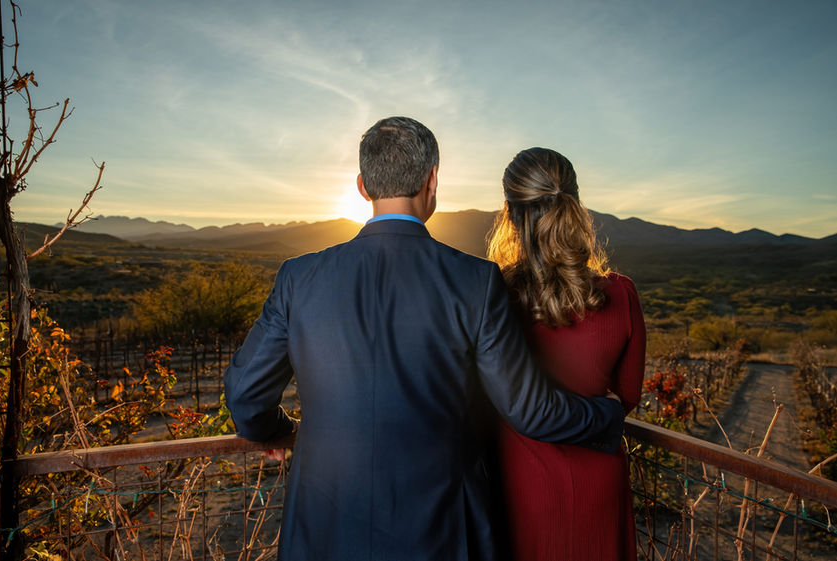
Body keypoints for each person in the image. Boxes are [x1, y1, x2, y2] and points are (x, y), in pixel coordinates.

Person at [223, 117, 624, 561]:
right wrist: (607, 414)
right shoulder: (476, 281)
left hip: (323, 531)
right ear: (433, 181)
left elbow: (245, 398)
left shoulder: (298, 278)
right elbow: (530, 410)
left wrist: (284, 432)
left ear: (362, 186)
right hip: (441, 533)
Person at [488, 147, 646, 560]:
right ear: (576, 203)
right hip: (599, 483)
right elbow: (626, 396)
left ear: (509, 212)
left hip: (519, 484)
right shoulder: (621, 293)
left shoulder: (495, 295)